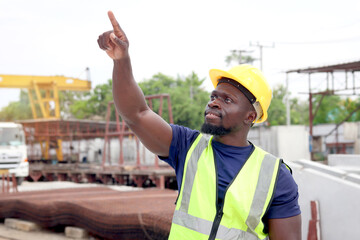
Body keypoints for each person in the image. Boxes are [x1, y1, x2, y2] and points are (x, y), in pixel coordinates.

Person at [98, 11, 301, 240]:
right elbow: (136, 114)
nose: (213, 102)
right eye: (214, 96)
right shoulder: (188, 147)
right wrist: (121, 60)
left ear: (250, 116)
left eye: (227, 100)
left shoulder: (276, 176)